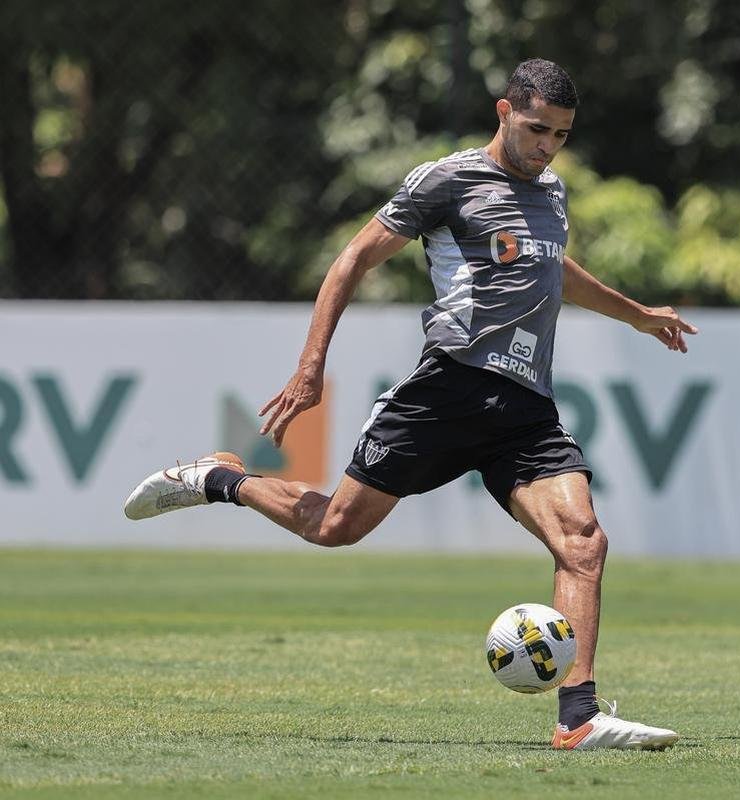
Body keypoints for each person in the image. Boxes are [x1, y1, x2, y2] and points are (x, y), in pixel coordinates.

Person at [124, 58, 696, 751]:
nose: (547, 146)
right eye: (537, 129)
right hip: (446, 391)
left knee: (583, 541)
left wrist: (636, 314)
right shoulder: (447, 181)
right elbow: (353, 260)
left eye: (562, 136)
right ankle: (220, 479)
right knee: (335, 526)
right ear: (504, 111)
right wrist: (310, 372)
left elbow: (553, 265)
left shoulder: (551, 192)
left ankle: (578, 716)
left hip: (525, 408)